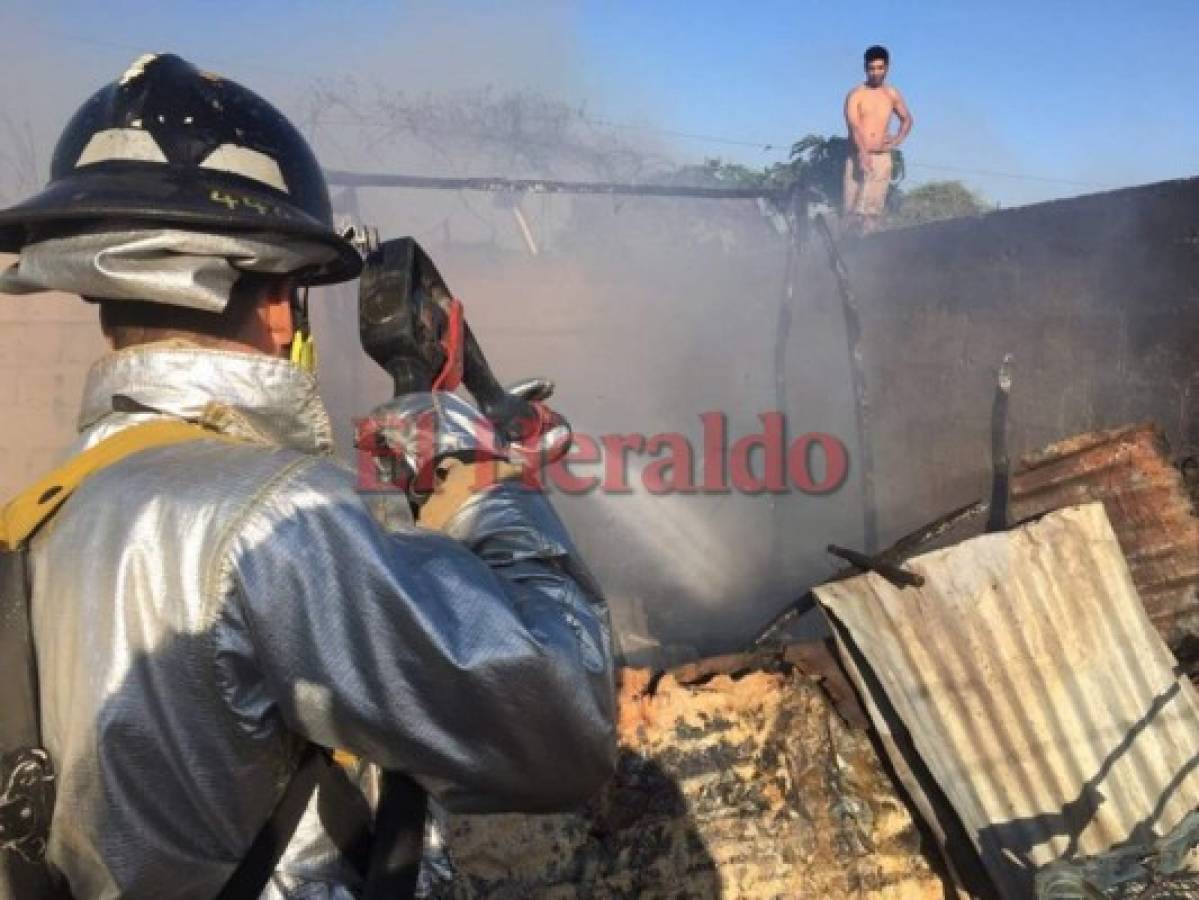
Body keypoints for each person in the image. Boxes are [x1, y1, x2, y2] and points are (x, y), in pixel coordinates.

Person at [0, 53, 616, 899]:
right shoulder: (273, 512)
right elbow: (561, 729)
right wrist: (487, 477)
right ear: (282, 299)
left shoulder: (47, 512)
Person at [843, 45, 914, 234]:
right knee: (853, 211)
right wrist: (863, 153)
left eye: (880, 68)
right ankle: (846, 250)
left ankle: (870, 250)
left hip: (882, 158)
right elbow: (854, 126)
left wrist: (897, 139)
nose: (876, 72)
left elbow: (907, 119)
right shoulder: (856, 95)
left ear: (887, 68)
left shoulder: (891, 94)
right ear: (865, 68)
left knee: (873, 212)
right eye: (872, 68)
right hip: (857, 156)